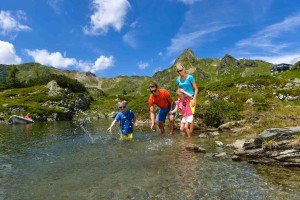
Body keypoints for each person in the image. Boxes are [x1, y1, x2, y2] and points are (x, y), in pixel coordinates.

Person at [176, 65, 199, 133]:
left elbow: (196, 89)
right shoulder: (178, 80)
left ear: (184, 69)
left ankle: (190, 135)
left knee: (191, 117)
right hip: (182, 100)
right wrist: (178, 101)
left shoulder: (190, 77)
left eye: (181, 70)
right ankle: (185, 134)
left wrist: (194, 99)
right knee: (183, 116)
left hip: (190, 98)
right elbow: (178, 91)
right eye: (178, 71)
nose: (180, 72)